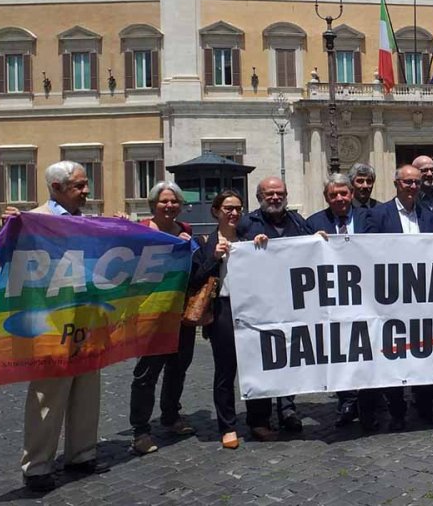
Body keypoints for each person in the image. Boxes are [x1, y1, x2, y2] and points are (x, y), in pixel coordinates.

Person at [9, 162, 100, 492]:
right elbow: (3, 260)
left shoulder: (90, 223)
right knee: (48, 394)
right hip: (49, 322)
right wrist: (12, 231)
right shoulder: (34, 221)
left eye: (85, 184)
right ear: (57, 188)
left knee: (87, 388)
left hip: (87, 318)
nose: (86, 191)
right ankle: (38, 465)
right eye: (79, 186)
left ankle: (82, 453)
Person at [361, 165, 433, 432]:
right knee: (393, 354)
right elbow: (369, 251)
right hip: (392, 295)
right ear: (396, 183)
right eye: (407, 182)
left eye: (417, 183)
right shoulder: (378, 214)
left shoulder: (430, 214)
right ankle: (397, 411)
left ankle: (425, 406)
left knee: (424, 352)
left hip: (424, 295)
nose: (413, 187)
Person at [238, 177, 313, 436]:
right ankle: (259, 418)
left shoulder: (297, 222)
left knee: (289, 357)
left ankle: (288, 409)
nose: (275, 198)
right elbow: (235, 255)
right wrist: (251, 246)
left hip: (292, 303)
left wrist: (321, 241)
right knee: (261, 359)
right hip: (259, 304)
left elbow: (311, 249)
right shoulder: (247, 223)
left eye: (279, 193)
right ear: (259, 197)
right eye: (269, 194)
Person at [128, 181, 197, 456]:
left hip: (180, 311)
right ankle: (140, 430)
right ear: (153, 205)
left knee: (178, 367)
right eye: (164, 201)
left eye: (174, 202)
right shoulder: (140, 230)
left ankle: (170, 416)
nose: (169, 206)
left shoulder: (186, 230)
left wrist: (189, 247)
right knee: (146, 373)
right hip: (149, 313)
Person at [305, 173, 372, 428]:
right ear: (326, 198)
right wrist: (313, 244)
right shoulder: (313, 223)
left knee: (367, 349)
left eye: (344, 193)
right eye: (334, 195)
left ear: (352, 195)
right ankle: (346, 401)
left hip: (367, 296)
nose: (340, 198)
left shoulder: (370, 218)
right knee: (341, 350)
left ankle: (368, 406)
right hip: (333, 298)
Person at [190, 190, 247, 449]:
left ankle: (259, 420)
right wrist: (214, 258)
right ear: (216, 211)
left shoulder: (248, 240)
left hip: (250, 308)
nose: (234, 213)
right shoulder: (205, 242)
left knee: (256, 365)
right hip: (222, 309)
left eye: (237, 208)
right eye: (228, 208)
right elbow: (194, 279)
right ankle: (228, 426)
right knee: (225, 370)